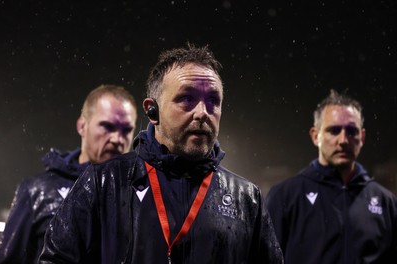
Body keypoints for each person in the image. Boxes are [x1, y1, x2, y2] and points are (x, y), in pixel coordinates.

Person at [39, 43, 284, 263]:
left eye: (213, 101)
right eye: (186, 99)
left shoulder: (246, 197)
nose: (202, 112)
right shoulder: (104, 182)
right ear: (152, 111)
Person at [0, 84, 138, 263]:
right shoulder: (36, 191)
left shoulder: (140, 192)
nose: (117, 139)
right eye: (107, 126)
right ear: (82, 126)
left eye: (126, 130)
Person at [265, 89, 397, 264]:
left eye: (352, 131)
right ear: (315, 136)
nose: (343, 140)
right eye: (334, 130)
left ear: (362, 137)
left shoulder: (386, 203)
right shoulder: (285, 196)